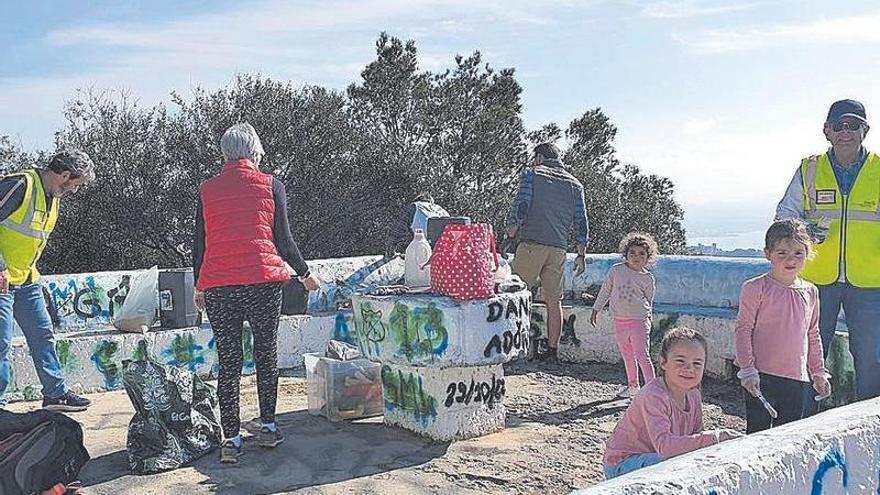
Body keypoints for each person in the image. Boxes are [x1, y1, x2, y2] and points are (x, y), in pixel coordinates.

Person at [193, 123, 320, 464]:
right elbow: (284, 240)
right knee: (265, 356)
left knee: (229, 363)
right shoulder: (270, 185)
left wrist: (199, 285)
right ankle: (267, 428)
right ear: (255, 152)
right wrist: (305, 275)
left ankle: (231, 441)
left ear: (225, 153)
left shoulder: (207, 190)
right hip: (263, 284)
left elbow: (199, 244)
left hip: (220, 285)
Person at [775, 98, 880, 411]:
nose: (845, 131)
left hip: (871, 282)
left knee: (872, 355)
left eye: (853, 125)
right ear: (827, 131)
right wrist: (803, 231)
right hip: (816, 281)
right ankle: (804, 417)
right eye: (839, 125)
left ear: (866, 129)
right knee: (806, 350)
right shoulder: (809, 168)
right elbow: (786, 214)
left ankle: (870, 423)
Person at [0, 150, 95, 411]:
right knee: (1, 344)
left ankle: (55, 393)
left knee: (43, 334)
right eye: (76, 185)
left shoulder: (52, 196)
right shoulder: (20, 185)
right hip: (2, 279)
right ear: (64, 175)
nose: (75, 191)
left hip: (26, 279)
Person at [602, 327, 742, 479]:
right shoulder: (654, 395)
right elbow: (665, 447)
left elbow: (696, 438)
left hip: (657, 455)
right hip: (623, 464)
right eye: (680, 361)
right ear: (663, 362)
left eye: (697, 363)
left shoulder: (693, 394)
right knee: (679, 464)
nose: (689, 369)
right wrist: (715, 438)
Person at [734, 219, 831, 433]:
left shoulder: (811, 292)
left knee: (787, 433)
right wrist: (747, 369)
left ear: (808, 254)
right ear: (767, 254)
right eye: (782, 253)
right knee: (757, 434)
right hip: (760, 376)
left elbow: (812, 334)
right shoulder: (755, 288)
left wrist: (818, 372)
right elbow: (743, 329)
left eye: (798, 253)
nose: (791, 259)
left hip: (796, 378)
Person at [507, 143, 589, 361]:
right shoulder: (575, 184)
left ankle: (515, 349)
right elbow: (581, 221)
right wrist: (581, 252)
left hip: (532, 242)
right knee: (555, 302)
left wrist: (512, 228)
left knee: (515, 295)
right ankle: (552, 352)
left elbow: (522, 203)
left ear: (539, 157)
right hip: (559, 249)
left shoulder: (532, 174)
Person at [590, 232, 658, 397]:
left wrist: (649, 319)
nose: (636, 257)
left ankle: (652, 391)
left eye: (642, 254)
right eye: (632, 253)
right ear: (625, 254)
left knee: (642, 355)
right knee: (627, 355)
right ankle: (633, 385)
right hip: (620, 320)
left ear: (648, 258)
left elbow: (649, 301)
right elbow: (606, 290)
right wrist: (596, 309)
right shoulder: (616, 270)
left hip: (639, 322)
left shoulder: (647, 278)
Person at [384, 193, 449, 257]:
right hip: (446, 246)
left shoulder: (414, 207)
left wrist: (390, 253)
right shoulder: (441, 210)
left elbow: (396, 231)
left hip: (425, 244)